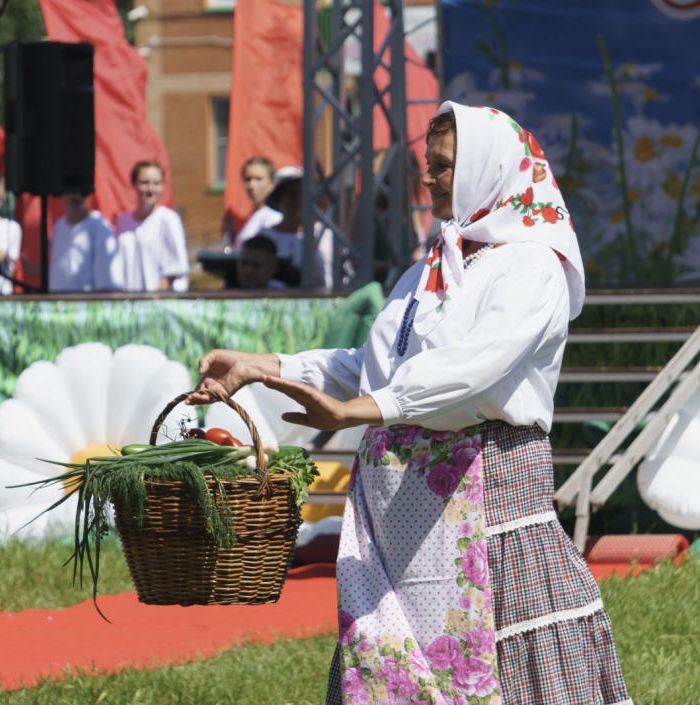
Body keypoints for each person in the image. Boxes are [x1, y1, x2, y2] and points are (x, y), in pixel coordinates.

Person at [188, 103, 630, 705]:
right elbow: (374, 365)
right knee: (390, 660)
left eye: (444, 166)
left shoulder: (532, 266)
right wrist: (263, 368)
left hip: (487, 500)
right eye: (429, 164)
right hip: (399, 516)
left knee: (495, 666)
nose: (429, 178)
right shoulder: (436, 265)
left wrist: (358, 412)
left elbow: (472, 371)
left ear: (487, 169)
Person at [111, 161, 190, 292]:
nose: (150, 189)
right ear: (134, 184)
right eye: (144, 182)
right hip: (127, 300)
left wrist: (155, 298)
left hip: (156, 302)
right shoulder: (122, 221)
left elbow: (177, 266)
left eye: (156, 183)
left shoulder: (168, 219)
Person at [48, 192, 115, 293]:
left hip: (87, 306)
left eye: (81, 192)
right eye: (71, 190)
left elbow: (108, 283)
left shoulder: (100, 227)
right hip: (58, 304)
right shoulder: (58, 227)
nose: (76, 196)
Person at [229, 156, 281, 248]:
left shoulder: (273, 216)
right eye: (248, 179)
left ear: (272, 183)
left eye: (258, 179)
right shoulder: (254, 214)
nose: (251, 185)